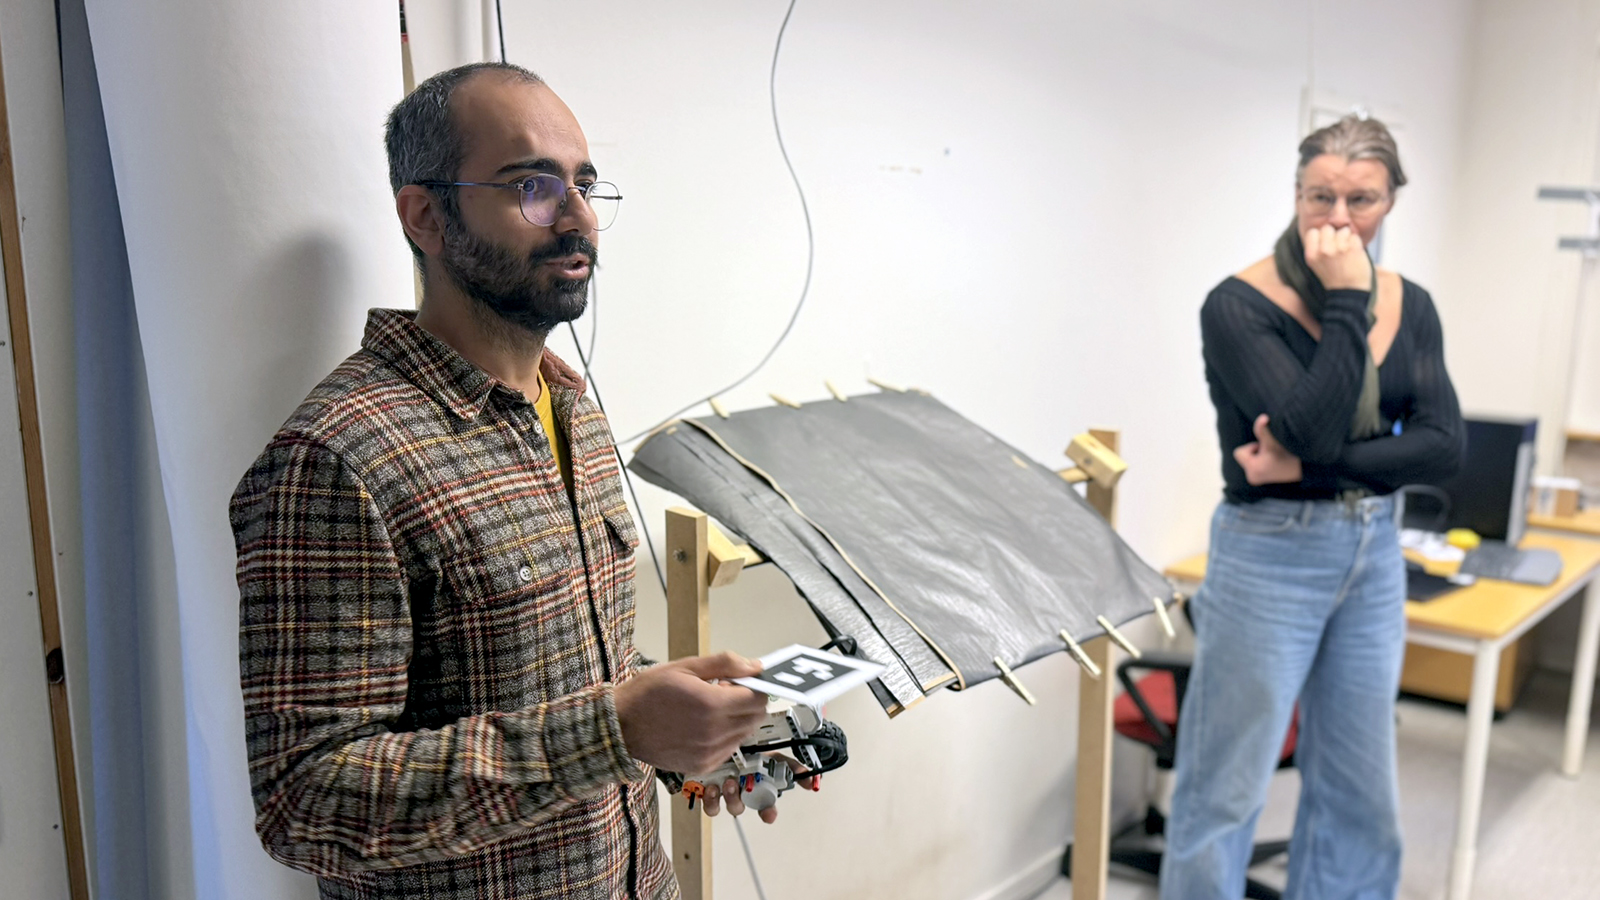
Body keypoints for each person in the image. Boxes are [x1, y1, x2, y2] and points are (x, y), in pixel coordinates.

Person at [231, 62, 786, 900]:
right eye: (533, 185)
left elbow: (552, 668)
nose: (578, 220)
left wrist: (685, 731)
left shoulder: (567, 405)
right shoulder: (338, 456)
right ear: (427, 217)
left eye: (585, 184)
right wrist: (615, 727)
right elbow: (306, 802)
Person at [1162, 115, 1465, 900]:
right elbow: (1311, 423)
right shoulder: (1236, 305)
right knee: (1225, 784)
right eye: (1319, 197)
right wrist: (1347, 300)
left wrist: (1305, 464)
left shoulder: (1415, 303)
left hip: (1372, 551)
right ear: (1295, 195)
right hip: (1270, 552)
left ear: (1392, 200)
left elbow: (1441, 447)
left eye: (1360, 200)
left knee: (1360, 785)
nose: (1337, 220)